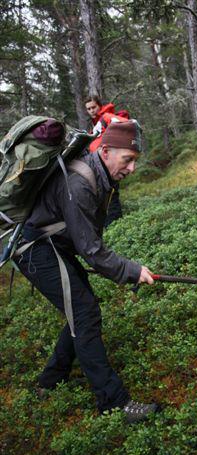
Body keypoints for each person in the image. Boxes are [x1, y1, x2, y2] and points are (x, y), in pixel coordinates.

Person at [17, 120, 160, 423]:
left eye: (135, 161)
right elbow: (92, 251)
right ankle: (113, 402)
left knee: (82, 310)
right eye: (128, 160)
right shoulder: (80, 183)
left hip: (52, 248)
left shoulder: (97, 175)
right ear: (106, 151)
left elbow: (86, 242)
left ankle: (50, 380)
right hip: (36, 251)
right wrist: (132, 271)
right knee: (85, 313)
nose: (132, 168)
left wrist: (125, 270)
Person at [85, 96, 131, 227]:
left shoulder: (106, 117)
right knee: (104, 196)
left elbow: (123, 124)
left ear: (99, 105)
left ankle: (116, 227)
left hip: (109, 165)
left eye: (93, 107)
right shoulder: (95, 124)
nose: (91, 110)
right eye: (88, 109)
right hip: (99, 165)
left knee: (111, 195)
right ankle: (111, 227)